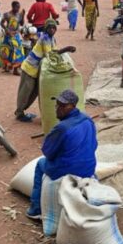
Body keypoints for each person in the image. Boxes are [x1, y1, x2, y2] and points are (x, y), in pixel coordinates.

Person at [27, 89, 97, 220]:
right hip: (89, 168)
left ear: (73, 106)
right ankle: (92, 187)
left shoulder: (62, 128)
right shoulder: (88, 119)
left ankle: (35, 209)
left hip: (66, 170)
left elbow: (48, 153)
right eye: (57, 104)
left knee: (40, 164)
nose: (58, 109)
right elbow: (94, 145)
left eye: (63, 106)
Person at [15, 18, 75, 123]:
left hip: (36, 70)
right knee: (25, 92)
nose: (52, 30)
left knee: (33, 93)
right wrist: (67, 49)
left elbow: (54, 51)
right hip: (30, 68)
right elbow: (50, 55)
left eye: (53, 28)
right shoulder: (45, 38)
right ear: (46, 29)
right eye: (50, 28)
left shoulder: (52, 39)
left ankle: (22, 111)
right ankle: (19, 113)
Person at [0, 1, 25, 75]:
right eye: (17, 7)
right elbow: (1, 23)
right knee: (8, 51)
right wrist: (6, 30)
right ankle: (9, 66)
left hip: (16, 35)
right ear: (12, 6)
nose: (18, 8)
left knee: (18, 51)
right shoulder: (7, 14)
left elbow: (22, 24)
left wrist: (23, 15)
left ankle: (15, 69)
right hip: (8, 35)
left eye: (19, 7)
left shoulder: (19, 15)